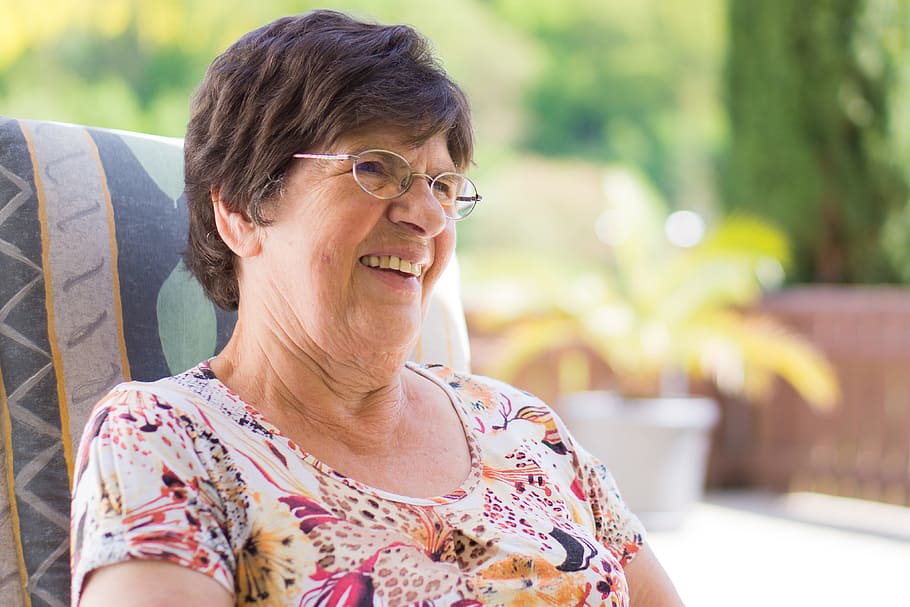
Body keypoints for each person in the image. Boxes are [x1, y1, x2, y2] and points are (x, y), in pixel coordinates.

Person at [70, 10, 683, 607]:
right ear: (240, 210)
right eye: (374, 169)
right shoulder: (164, 441)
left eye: (442, 185)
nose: (426, 216)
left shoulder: (523, 426)